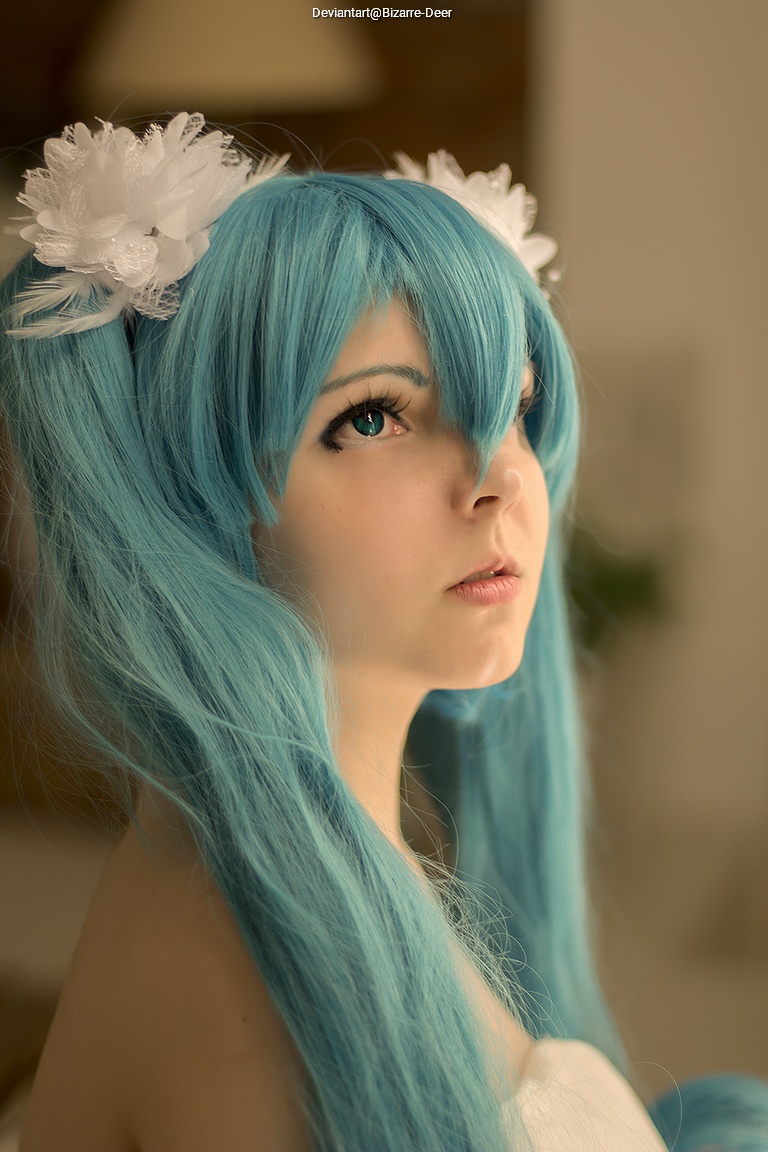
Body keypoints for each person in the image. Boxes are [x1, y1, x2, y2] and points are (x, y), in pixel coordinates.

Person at [0, 113, 766, 1152]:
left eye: (517, 407)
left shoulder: (301, 878)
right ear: (189, 501)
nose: (498, 480)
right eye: (374, 417)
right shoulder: (251, 966)